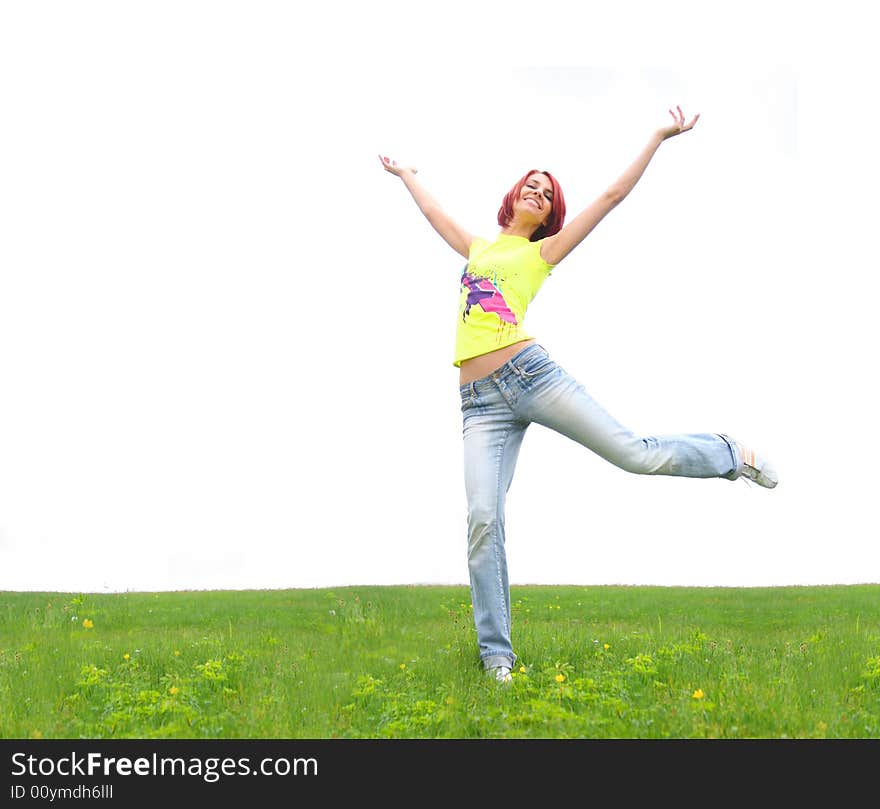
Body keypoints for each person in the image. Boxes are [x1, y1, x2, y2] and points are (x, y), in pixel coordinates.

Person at [379, 106, 777, 684]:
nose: (538, 194)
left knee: (633, 453)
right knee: (483, 520)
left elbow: (612, 195)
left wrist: (657, 138)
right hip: (479, 407)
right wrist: (408, 174)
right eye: (531, 186)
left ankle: (728, 453)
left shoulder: (542, 253)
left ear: (549, 215)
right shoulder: (478, 248)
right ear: (513, 197)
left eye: (547, 194)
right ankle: (496, 657)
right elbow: (435, 212)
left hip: (531, 375)